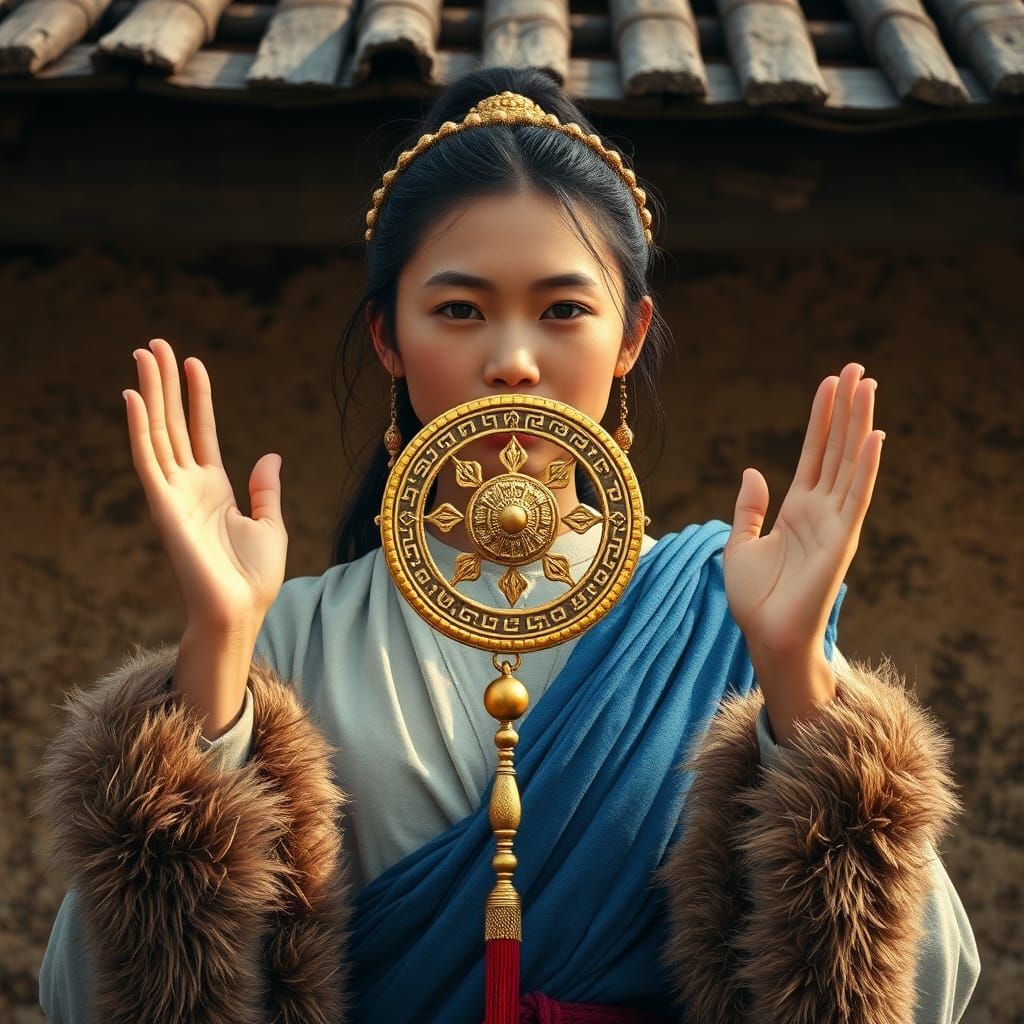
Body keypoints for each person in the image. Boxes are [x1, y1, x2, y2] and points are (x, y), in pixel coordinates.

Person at [35, 66, 980, 1023]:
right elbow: (86, 993)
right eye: (459, 310)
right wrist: (213, 652)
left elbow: (929, 985)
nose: (514, 360)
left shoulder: (729, 613)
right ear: (388, 338)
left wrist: (794, 674)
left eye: (564, 310)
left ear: (631, 336)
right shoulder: (291, 635)